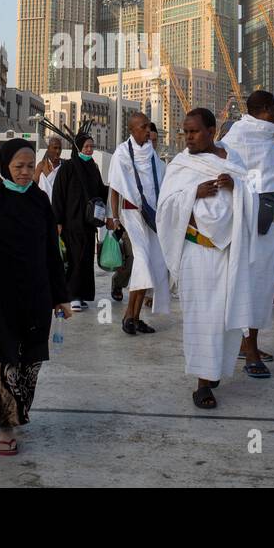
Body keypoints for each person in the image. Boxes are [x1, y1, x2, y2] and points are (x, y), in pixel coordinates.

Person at [0, 138, 73, 455]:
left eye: (30, 166)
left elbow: (52, 253)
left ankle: (17, 414)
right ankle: (5, 428)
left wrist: (61, 295)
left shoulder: (40, 201)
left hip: (35, 296)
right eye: (19, 167)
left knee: (28, 365)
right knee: (3, 365)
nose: (26, 172)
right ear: (5, 166)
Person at [156, 108, 257, 410]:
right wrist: (193, 193)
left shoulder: (232, 161)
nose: (188, 137)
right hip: (196, 252)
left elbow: (251, 195)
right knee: (201, 318)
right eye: (185, 132)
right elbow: (165, 207)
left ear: (211, 131)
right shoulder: (181, 164)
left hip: (226, 253)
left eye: (194, 131)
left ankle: (213, 372)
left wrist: (235, 186)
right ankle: (202, 385)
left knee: (222, 318)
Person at [221, 91, 274, 377]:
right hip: (248, 225)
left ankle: (249, 343)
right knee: (249, 286)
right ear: (266, 109)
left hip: (273, 224)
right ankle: (250, 350)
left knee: (264, 286)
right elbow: (228, 180)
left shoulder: (268, 141)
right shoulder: (237, 138)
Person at [108, 111, 168, 335]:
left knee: (151, 265)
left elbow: (160, 184)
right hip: (132, 216)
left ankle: (134, 317)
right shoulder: (122, 154)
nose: (147, 131)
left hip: (152, 218)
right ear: (132, 130)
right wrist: (114, 217)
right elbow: (115, 187)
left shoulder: (152, 156)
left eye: (148, 127)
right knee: (142, 261)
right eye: (143, 127)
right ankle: (128, 316)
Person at [51, 132, 109, 311]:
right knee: (74, 257)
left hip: (88, 222)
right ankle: (72, 295)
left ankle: (81, 294)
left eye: (92, 146)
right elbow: (58, 195)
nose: (90, 150)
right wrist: (58, 221)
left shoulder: (93, 167)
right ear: (78, 148)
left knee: (85, 259)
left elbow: (100, 191)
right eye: (86, 147)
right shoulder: (68, 167)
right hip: (71, 221)